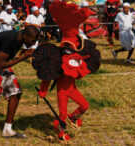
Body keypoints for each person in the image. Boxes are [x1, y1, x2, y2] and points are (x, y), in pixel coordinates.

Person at [33, 1, 101, 144]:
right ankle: (61, 133)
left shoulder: (76, 48)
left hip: (72, 89)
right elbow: (50, 72)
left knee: (85, 106)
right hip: (62, 91)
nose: (70, 53)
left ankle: (73, 117)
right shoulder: (59, 56)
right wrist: (43, 90)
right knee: (62, 114)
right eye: (68, 50)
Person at [0, 25, 40, 138]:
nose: (33, 43)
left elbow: (2, 62)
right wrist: (21, 58)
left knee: (16, 91)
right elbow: (1, 65)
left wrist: (28, 52)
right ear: (25, 35)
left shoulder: (19, 38)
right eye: (32, 40)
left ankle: (7, 130)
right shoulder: (10, 39)